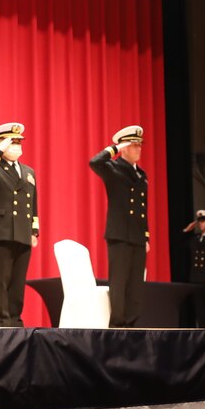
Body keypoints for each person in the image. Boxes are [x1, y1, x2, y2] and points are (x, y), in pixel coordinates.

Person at [0, 122, 38, 326]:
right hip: (0, 231)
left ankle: (15, 322)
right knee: (0, 282)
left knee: (18, 284)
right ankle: (1, 325)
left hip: (22, 232)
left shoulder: (28, 171)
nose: (17, 146)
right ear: (2, 143)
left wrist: (34, 230)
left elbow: (33, 204)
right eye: (12, 142)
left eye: (19, 142)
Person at [90, 125, 148, 327]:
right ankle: (118, 325)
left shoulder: (141, 174)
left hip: (138, 236)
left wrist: (146, 236)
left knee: (135, 286)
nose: (138, 149)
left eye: (140, 145)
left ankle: (132, 324)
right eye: (133, 145)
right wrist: (114, 148)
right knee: (119, 283)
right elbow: (94, 162)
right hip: (119, 234)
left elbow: (143, 209)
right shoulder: (113, 169)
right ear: (124, 147)